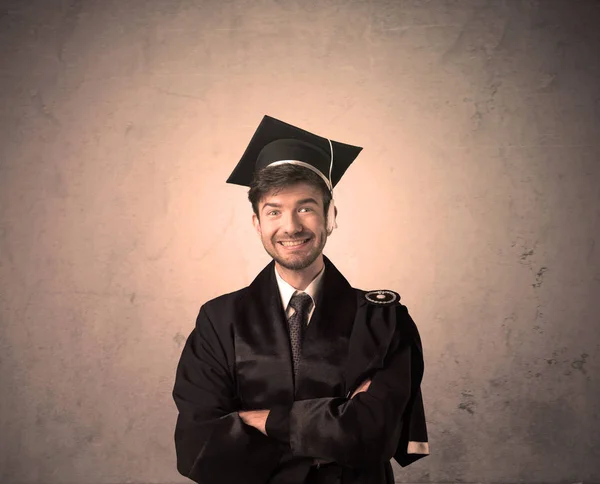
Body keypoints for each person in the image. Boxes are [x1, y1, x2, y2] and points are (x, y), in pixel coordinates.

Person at [172, 115, 429, 484]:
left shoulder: (383, 320)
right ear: (257, 223)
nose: (291, 226)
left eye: (305, 208)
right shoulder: (219, 320)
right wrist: (337, 420)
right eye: (274, 211)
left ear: (331, 216)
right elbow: (199, 445)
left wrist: (261, 420)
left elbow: (374, 436)